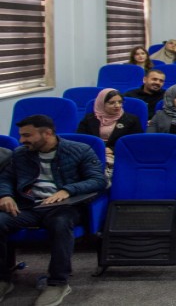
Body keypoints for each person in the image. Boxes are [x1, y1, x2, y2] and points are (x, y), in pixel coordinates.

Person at [0, 115, 106, 306]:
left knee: (60, 224)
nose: (22, 140)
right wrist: (5, 195)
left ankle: (58, 282)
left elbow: (98, 180)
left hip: (64, 207)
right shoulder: (21, 154)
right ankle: (2, 279)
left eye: (27, 135)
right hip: (30, 206)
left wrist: (68, 190)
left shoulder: (80, 150)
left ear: (47, 133)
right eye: (21, 135)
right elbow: (6, 178)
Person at [76, 88, 142, 171]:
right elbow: (81, 139)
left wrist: (113, 149)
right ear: (102, 103)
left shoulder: (131, 120)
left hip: (120, 155)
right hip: (93, 153)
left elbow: (134, 142)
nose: (117, 106)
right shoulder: (89, 119)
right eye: (112, 103)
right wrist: (99, 149)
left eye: (120, 102)